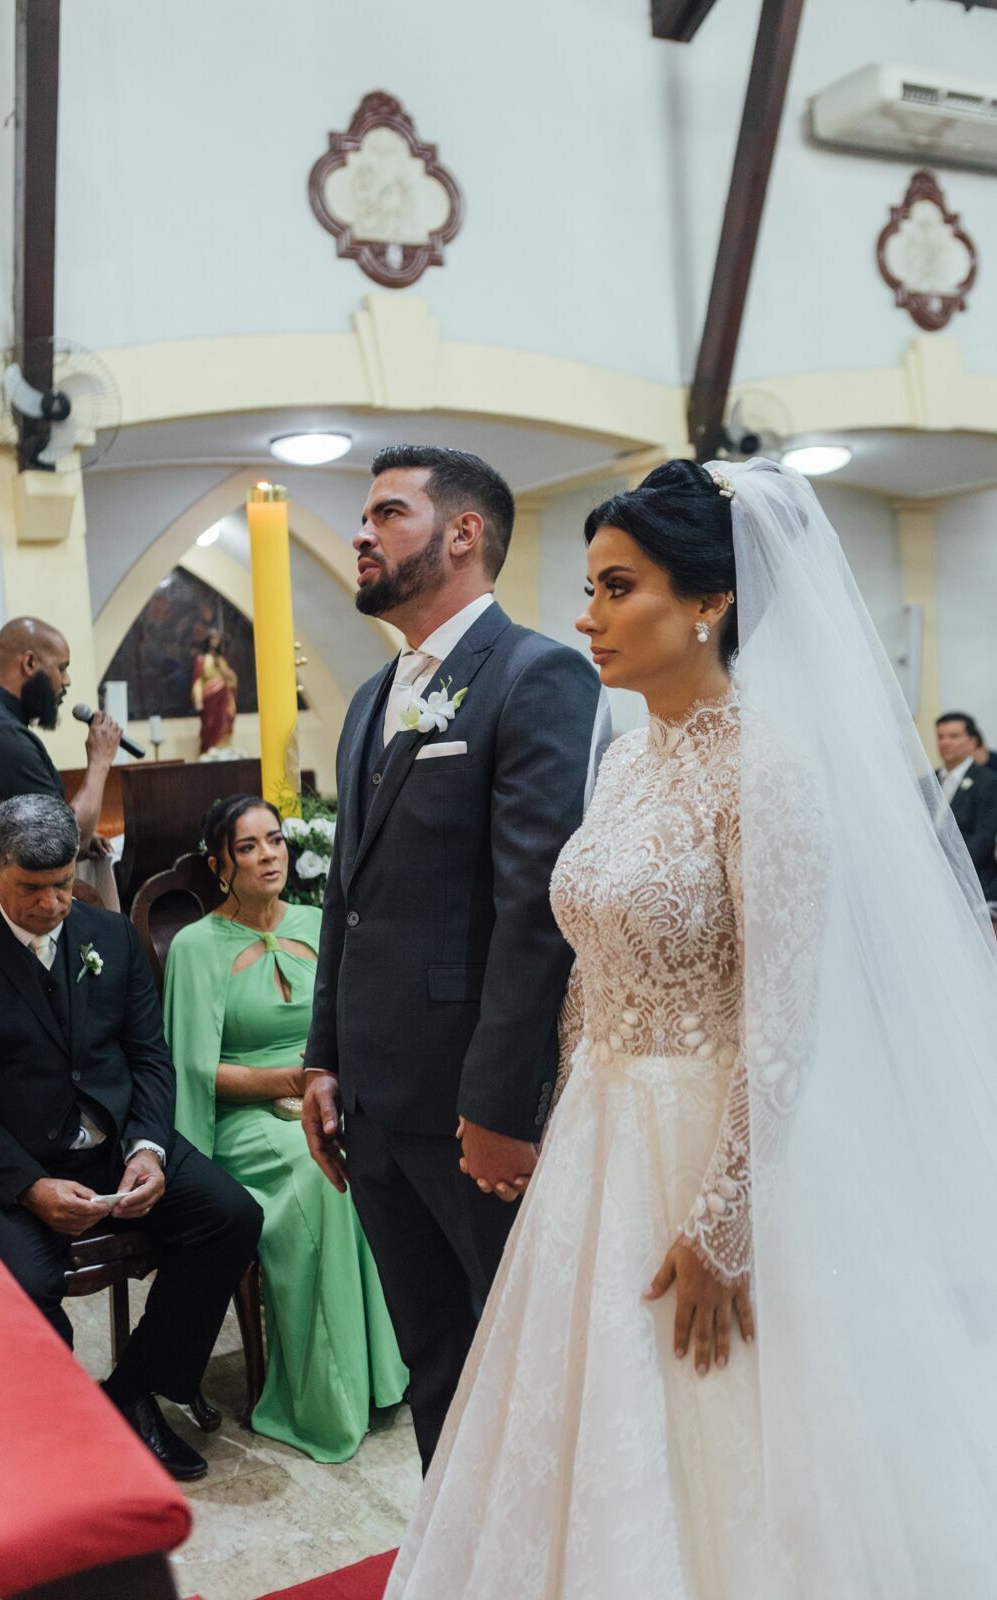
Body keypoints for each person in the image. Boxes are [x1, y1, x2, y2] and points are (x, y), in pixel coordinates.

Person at [386, 458, 997, 1599]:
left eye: (618, 587)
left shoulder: (766, 771)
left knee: (720, 1430)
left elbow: (781, 1016)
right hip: (598, 1136)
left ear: (708, 601)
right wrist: (560, 1108)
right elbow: (587, 961)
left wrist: (723, 1220)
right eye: (588, 587)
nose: (587, 614)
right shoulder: (622, 761)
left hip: (720, 1141)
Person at [302, 444, 607, 1472]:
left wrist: (499, 1108)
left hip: (472, 1110)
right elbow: (344, 898)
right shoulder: (368, 698)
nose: (360, 531)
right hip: (375, 1103)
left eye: (386, 512)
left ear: (461, 533)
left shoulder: (535, 674)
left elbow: (536, 910)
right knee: (435, 1358)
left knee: (517, 1363)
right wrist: (320, 1056)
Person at [0, 794, 262, 1482]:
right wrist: (29, 1186)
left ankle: (135, 1390)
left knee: (230, 1217)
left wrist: (147, 1148)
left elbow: (148, 1056)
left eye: (61, 885)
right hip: (5, 1162)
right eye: (32, 888)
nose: (54, 905)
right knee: (24, 1284)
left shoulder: (108, 935)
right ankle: (59, 1436)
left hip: (114, 1143)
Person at [162, 794, 407, 1461]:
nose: (268, 854)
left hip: (325, 1096)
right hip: (243, 1122)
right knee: (317, 1177)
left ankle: (389, 1372)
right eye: (248, 846)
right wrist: (290, 1082)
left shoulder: (316, 921)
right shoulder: (194, 946)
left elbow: (353, 1019)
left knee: (383, 1158)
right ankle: (320, 1396)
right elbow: (195, 1070)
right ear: (221, 863)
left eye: (274, 840)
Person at [0, 617, 121, 871]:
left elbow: (29, 841)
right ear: (30, 663)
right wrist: (100, 761)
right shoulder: (1, 737)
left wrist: (84, 837)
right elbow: (65, 842)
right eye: (61, 668)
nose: (66, 681)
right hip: (19, 908)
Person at [935, 710, 997, 900]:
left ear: (972, 741)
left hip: (970, 885)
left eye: (954, 736)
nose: (945, 742)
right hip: (928, 881)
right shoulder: (927, 782)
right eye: (940, 736)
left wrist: (944, 871)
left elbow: (983, 839)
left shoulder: (988, 782)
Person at [192, 630, 239, 754]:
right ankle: (210, 749)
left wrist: (229, 675)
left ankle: (222, 746)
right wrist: (198, 699)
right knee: (210, 723)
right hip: (209, 697)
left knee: (224, 720)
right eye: (213, 639)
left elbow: (231, 679)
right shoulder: (202, 659)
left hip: (223, 697)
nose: (215, 642)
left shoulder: (221, 659)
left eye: (217, 640)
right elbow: (198, 680)